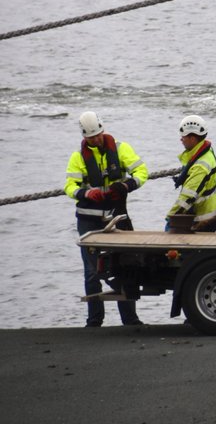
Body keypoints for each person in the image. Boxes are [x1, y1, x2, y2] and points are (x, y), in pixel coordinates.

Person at [64, 111, 148, 327]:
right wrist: (85, 193)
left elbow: (141, 171)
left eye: (99, 134)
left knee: (125, 267)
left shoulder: (120, 149)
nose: (97, 139)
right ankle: (94, 321)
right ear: (85, 137)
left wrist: (127, 185)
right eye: (92, 137)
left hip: (116, 217)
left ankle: (130, 320)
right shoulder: (77, 158)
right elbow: (70, 186)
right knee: (92, 273)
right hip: (89, 222)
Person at [167, 115, 216, 232]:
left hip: (204, 224)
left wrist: (170, 219)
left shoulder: (200, 166)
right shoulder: (204, 151)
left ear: (192, 139)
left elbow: (187, 198)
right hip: (210, 217)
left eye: (183, 137)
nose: (181, 139)